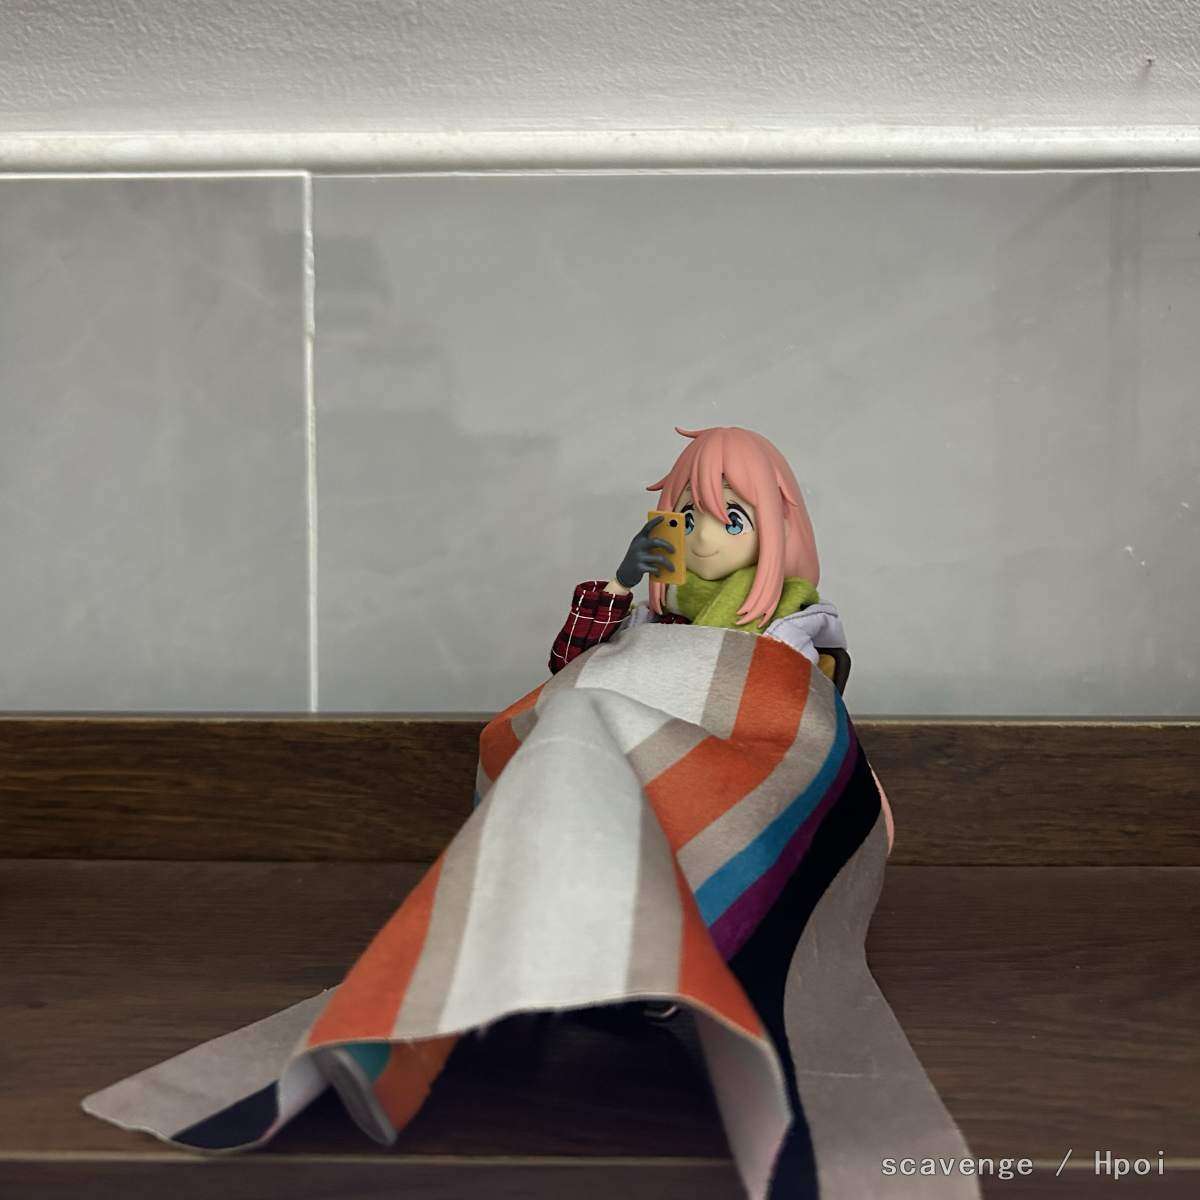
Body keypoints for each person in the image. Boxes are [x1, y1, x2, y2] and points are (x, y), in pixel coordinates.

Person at [549, 426, 849, 687]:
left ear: (777, 530)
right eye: (688, 520)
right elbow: (568, 669)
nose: (703, 536)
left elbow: (785, 714)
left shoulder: (783, 628)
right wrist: (619, 585)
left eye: (733, 522)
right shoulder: (655, 616)